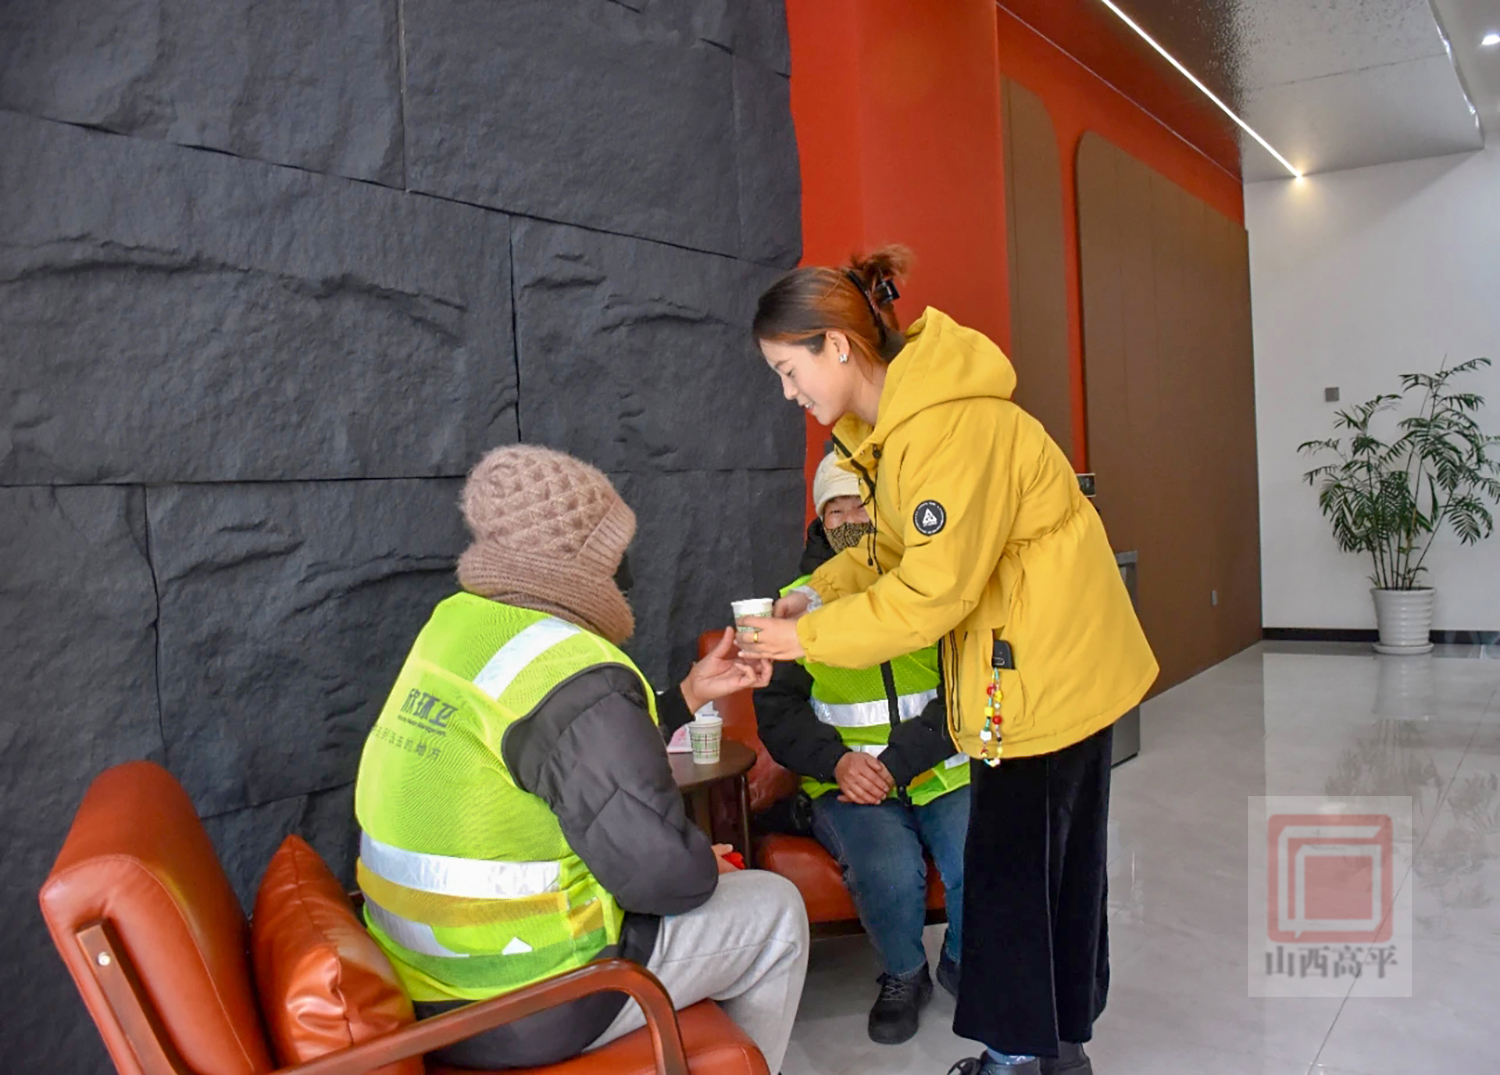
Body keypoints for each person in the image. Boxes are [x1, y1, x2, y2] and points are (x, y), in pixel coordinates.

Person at [737, 248, 1158, 1075]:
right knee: (1039, 879)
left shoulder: (948, 429)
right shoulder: (900, 433)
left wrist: (803, 641)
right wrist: (814, 594)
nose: (790, 393)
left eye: (789, 370)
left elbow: (932, 593)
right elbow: (893, 553)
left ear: (836, 345)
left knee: (1019, 884)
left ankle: (1019, 1059)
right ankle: (1052, 1053)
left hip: (1046, 682)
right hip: (1026, 679)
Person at [354, 445, 810, 1071]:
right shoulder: (576, 670)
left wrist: (686, 696)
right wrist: (700, 863)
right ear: (579, 563)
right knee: (775, 907)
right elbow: (665, 880)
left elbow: (553, 749)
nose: (622, 571)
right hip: (529, 1000)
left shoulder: (455, 626)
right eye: (613, 554)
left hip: (423, 979)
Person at [755, 452, 970, 1045]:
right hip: (846, 782)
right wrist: (839, 763)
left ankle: (961, 959)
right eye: (835, 510)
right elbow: (777, 711)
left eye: (861, 507)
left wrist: (898, 762)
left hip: (942, 769)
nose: (850, 521)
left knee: (980, 854)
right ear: (820, 522)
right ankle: (904, 973)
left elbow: (965, 687)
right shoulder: (793, 604)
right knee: (889, 870)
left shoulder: (929, 588)